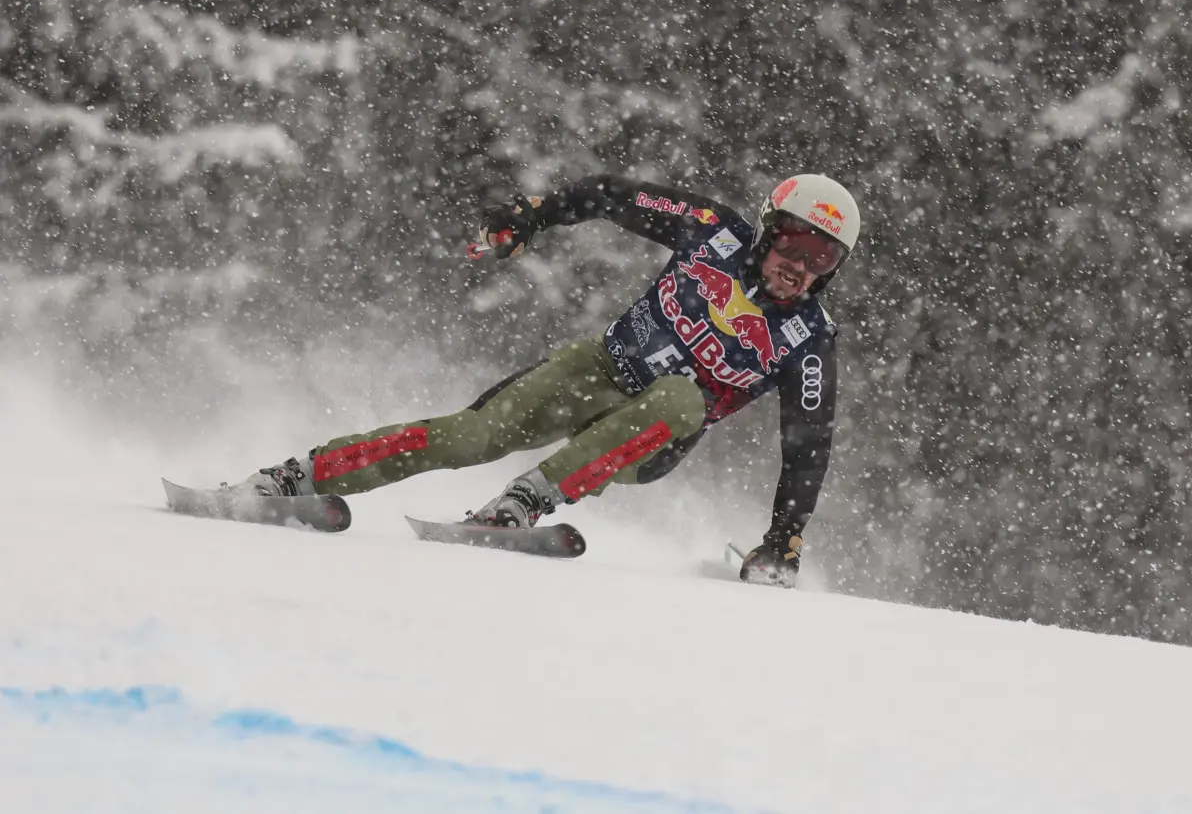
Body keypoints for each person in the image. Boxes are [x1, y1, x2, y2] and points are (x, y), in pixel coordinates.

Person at [241, 173, 860, 587]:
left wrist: (783, 541)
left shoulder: (809, 338)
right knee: (469, 437)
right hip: (597, 368)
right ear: (770, 227)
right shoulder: (713, 231)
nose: (801, 267)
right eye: (796, 243)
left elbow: (808, 447)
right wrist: (533, 215)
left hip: (655, 435)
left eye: (822, 258)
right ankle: (292, 476)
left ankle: (524, 503)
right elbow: (612, 197)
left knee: (681, 395)